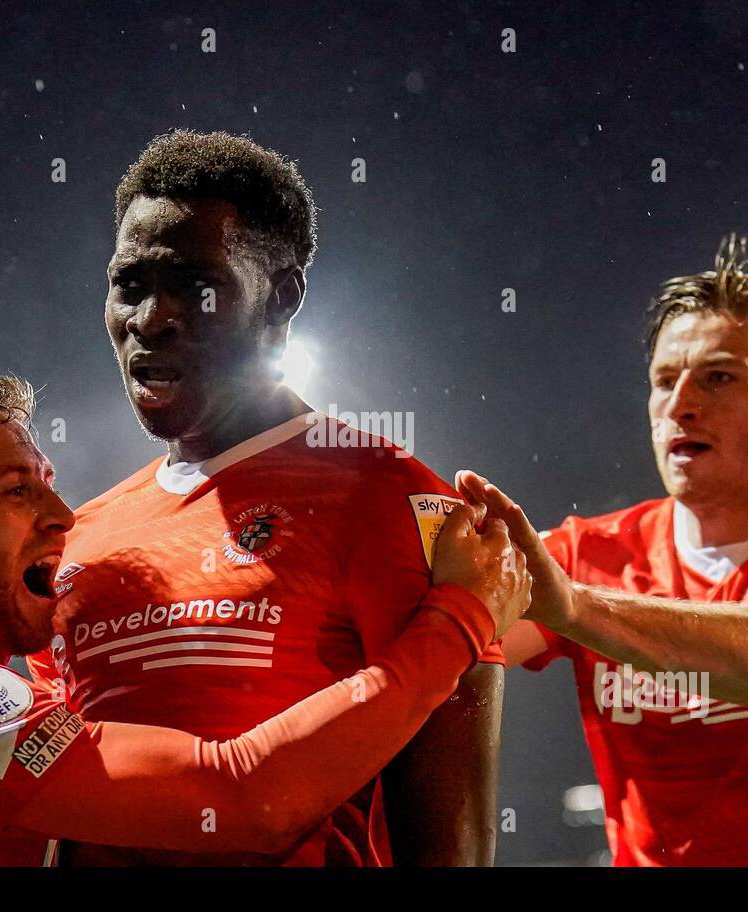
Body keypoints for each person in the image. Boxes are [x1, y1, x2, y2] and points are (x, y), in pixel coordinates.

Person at [0, 372, 529, 866]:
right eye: (18, 493)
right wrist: (459, 618)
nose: (64, 515)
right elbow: (243, 796)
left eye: (48, 482)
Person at [28, 130, 505, 866]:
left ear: (282, 297)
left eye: (195, 283)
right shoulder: (79, 536)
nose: (152, 317)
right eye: (129, 283)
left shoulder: (392, 502)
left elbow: (448, 851)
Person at [460, 236, 748, 866]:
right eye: (663, 382)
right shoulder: (585, 551)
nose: (680, 405)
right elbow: (448, 639)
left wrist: (569, 605)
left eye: (718, 377)